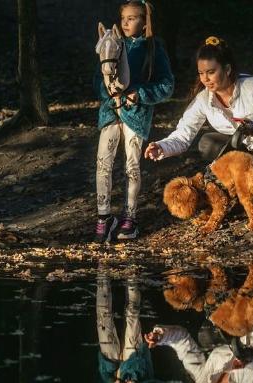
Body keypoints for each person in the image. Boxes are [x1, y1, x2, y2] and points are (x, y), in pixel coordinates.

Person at [144, 36, 253, 204]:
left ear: (227, 69)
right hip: (246, 156)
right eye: (201, 73)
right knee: (206, 142)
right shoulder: (203, 100)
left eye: (211, 72)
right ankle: (243, 184)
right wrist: (162, 147)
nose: (205, 79)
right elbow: (184, 134)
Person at [94, 0, 174, 242]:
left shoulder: (154, 48)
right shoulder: (113, 43)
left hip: (136, 115)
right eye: (123, 18)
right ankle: (104, 217)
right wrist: (108, 92)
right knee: (103, 163)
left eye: (132, 18)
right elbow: (97, 81)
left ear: (144, 21)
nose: (125, 23)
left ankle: (130, 218)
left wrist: (140, 94)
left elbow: (167, 86)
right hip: (110, 112)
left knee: (132, 165)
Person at [95, 270, 173, 383]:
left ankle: (102, 268)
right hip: (136, 365)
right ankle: (131, 269)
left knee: (103, 317)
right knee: (132, 314)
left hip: (112, 367)